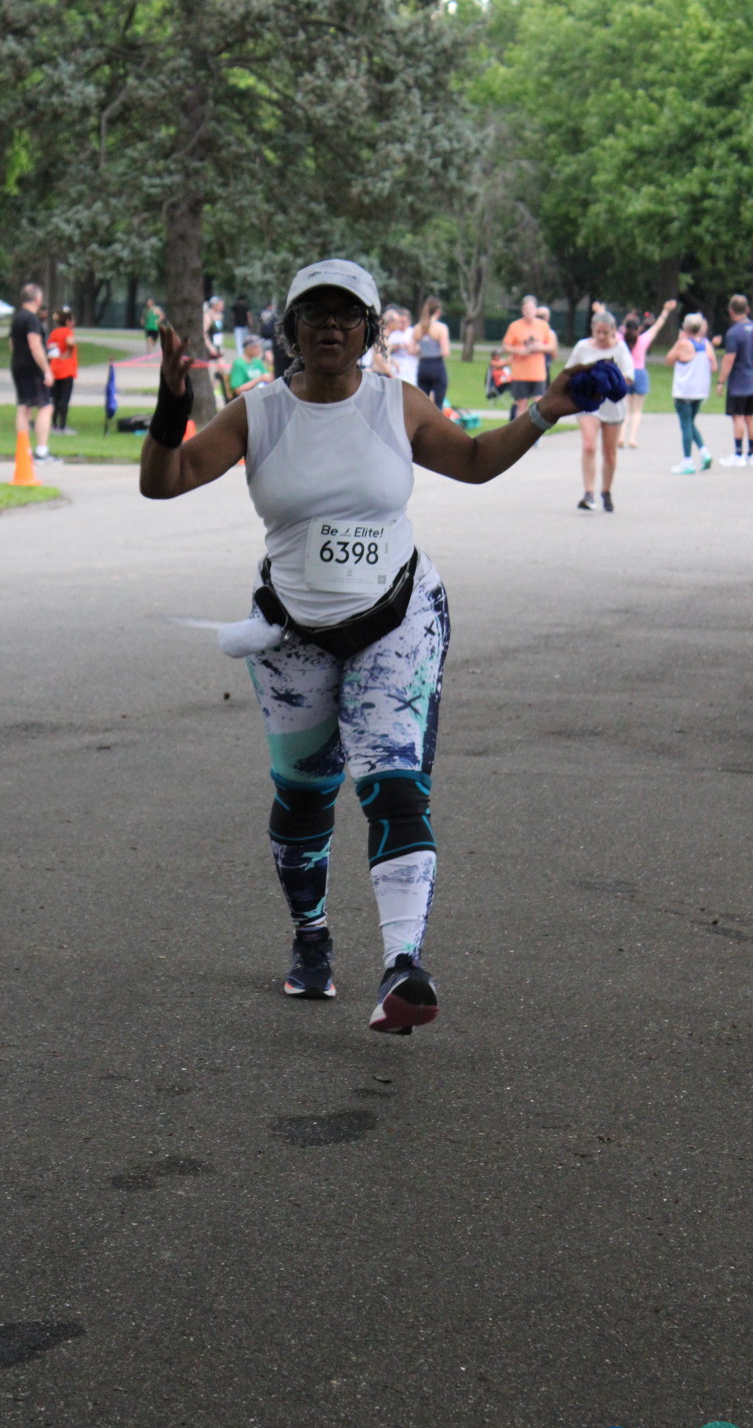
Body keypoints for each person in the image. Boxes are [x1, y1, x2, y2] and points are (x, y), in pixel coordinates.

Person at [139, 258, 589, 1036]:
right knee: (305, 795)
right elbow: (165, 479)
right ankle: (311, 934)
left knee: (394, 784)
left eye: (347, 314)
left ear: (369, 329)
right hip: (292, 633)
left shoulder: (395, 403)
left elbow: (475, 462)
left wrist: (545, 410)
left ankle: (402, 966)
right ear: (292, 327)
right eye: (314, 313)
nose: (330, 326)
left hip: (399, 618)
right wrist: (171, 404)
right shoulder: (259, 412)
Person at [565, 310, 634, 511]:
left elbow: (629, 377)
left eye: (606, 332)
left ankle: (606, 491)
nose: (602, 337)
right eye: (598, 332)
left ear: (613, 330)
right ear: (592, 330)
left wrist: (609, 377)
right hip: (589, 404)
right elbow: (569, 372)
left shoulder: (620, 348)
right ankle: (588, 494)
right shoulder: (582, 347)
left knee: (609, 453)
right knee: (589, 445)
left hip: (613, 406)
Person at [716, 294, 753, 466]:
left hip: (738, 382)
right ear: (747, 309)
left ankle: (738, 454)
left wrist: (721, 381)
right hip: (752, 380)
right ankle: (751, 454)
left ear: (731, 311)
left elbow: (729, 359)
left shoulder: (733, 333)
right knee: (750, 417)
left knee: (737, 416)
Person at [9, 283, 59, 464]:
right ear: (38, 299)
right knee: (45, 407)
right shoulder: (31, 319)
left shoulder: (17, 318)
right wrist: (46, 369)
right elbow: (35, 345)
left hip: (18, 365)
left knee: (24, 408)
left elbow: (12, 343)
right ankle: (42, 452)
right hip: (33, 369)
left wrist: (20, 357)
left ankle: (24, 451)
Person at [618, 300, 675, 449]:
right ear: (638, 329)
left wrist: (600, 311)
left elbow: (611, 328)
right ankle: (632, 438)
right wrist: (665, 311)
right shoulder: (642, 340)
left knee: (625, 408)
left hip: (624, 374)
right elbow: (657, 326)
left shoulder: (620, 341)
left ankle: (621, 436)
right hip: (640, 374)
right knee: (637, 410)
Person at [665, 314, 717, 474]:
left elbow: (669, 360)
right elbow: (714, 367)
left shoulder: (683, 344)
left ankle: (687, 461)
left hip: (684, 391)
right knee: (690, 423)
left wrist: (679, 341)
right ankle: (704, 452)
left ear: (685, 327)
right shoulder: (706, 344)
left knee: (685, 425)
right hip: (699, 392)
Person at [502, 295, 557, 418]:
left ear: (535, 310)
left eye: (531, 309)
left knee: (539, 404)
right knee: (522, 404)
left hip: (538, 373)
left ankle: (535, 429)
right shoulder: (515, 326)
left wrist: (539, 347)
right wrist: (519, 351)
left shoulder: (543, 326)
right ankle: (520, 429)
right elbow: (506, 346)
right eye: (526, 309)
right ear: (522, 310)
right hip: (520, 373)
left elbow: (551, 347)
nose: (528, 312)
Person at [414, 297, 451, 409]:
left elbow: (412, 349)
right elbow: (445, 352)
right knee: (438, 403)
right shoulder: (441, 328)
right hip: (436, 365)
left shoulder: (418, 327)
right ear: (438, 311)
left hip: (423, 365)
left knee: (423, 403)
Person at [47, 307, 79, 435]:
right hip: (66, 370)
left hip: (54, 369)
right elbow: (69, 342)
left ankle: (53, 425)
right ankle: (62, 426)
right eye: (72, 320)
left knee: (55, 398)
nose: (74, 323)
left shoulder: (54, 333)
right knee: (64, 399)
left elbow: (49, 349)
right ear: (67, 321)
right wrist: (69, 352)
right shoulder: (68, 332)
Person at [536, 305, 558, 388]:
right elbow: (554, 354)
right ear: (547, 318)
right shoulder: (550, 333)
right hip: (544, 365)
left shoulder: (529, 332)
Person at [232, 293, 252, 358]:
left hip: (237, 325)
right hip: (244, 325)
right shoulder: (246, 307)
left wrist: (233, 323)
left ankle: (239, 354)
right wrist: (250, 324)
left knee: (238, 340)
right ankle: (244, 353)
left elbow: (233, 316)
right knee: (245, 340)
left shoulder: (235, 306)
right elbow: (248, 316)